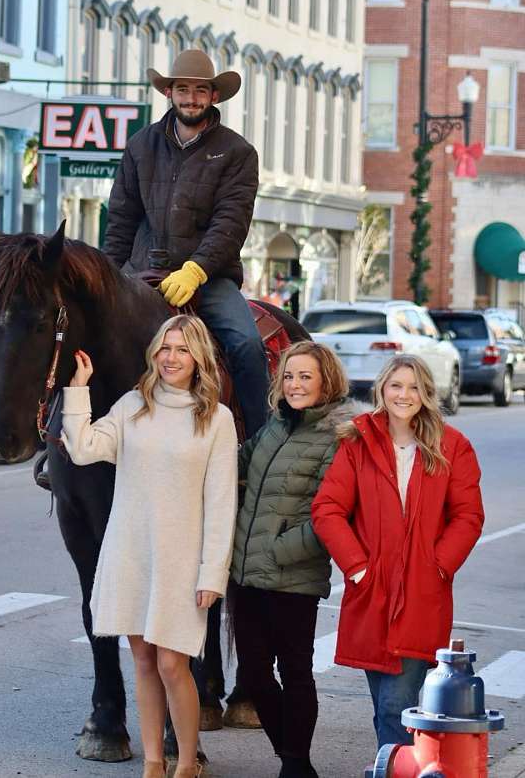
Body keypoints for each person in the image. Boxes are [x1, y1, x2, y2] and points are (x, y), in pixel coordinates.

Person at [61, 315, 238, 778]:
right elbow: (82, 448)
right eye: (164, 348)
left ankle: (185, 760)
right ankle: (154, 763)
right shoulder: (133, 405)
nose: (171, 358)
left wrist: (212, 573)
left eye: (181, 349)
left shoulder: (216, 419)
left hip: (182, 558)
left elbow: (222, 504)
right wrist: (78, 390)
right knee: (142, 659)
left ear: (198, 358)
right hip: (131, 552)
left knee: (172, 662)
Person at [311, 354, 484, 753]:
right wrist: (356, 567)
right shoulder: (359, 440)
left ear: (426, 394)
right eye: (396, 386)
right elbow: (328, 508)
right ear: (381, 390)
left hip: (422, 594)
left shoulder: (452, 445)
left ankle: (394, 765)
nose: (403, 395)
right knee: (384, 707)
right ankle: (399, 763)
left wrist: (438, 566)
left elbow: (468, 515)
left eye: (413, 387)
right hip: (371, 591)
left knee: (395, 707)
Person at [103, 48, 269, 438]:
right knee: (85, 336)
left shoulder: (237, 152)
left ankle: (259, 445)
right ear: (169, 93)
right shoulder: (140, 145)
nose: (190, 98)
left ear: (213, 96)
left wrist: (196, 269)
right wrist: (108, 275)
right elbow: (121, 218)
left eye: (200, 90)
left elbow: (230, 224)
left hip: (208, 278)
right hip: (139, 275)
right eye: (183, 89)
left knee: (246, 346)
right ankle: (61, 441)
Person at [230, 340, 357, 778]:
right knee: (255, 676)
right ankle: (292, 759)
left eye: (306, 376)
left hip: (291, 578)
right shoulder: (274, 427)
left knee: (296, 672)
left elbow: (332, 513)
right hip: (245, 575)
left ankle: (295, 764)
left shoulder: (339, 436)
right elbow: (233, 467)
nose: (295, 384)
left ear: (326, 381)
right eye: (289, 376)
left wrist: (279, 550)